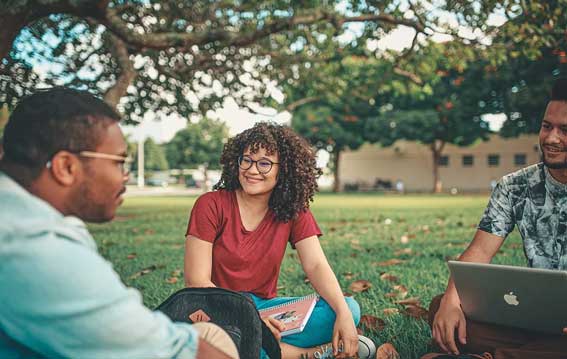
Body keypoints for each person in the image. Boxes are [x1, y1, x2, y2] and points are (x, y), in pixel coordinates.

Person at [0, 88, 238, 359]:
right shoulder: (36, 248)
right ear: (66, 167)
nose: (124, 177)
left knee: (209, 332)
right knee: (214, 341)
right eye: (119, 162)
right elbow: (176, 351)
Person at [184, 122, 374, 359]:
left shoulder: (293, 210)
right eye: (247, 160)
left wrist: (344, 315)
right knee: (218, 341)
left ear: (283, 169)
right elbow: (196, 281)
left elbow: (316, 265)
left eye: (264, 163)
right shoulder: (210, 205)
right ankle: (307, 354)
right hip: (218, 310)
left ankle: (260, 349)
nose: (252, 170)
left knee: (348, 307)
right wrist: (251, 321)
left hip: (266, 310)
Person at [427, 78, 567, 359]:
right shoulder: (515, 186)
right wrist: (453, 300)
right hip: (535, 317)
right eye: (546, 126)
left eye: (565, 130)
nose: (551, 138)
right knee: (442, 308)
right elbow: (479, 251)